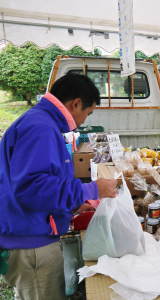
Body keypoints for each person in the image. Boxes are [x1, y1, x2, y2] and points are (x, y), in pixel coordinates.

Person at [0, 73, 117, 300]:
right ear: (75, 104)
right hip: (31, 243)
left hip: (30, 231)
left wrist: (73, 204)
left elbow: (41, 180)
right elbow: (32, 188)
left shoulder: (40, 121)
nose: (84, 120)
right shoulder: (40, 128)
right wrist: (93, 190)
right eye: (87, 113)